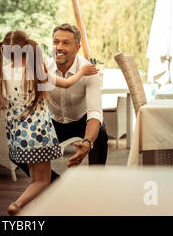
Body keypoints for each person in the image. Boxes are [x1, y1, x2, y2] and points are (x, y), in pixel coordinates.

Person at [0, 30, 98, 215]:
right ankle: (18, 204)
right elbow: (68, 83)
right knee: (43, 180)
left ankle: (37, 208)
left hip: (18, 136)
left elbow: (1, 101)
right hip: (39, 135)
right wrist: (83, 71)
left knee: (34, 178)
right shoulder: (37, 71)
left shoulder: (3, 72)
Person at [9, 24, 109, 181]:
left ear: (77, 48)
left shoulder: (88, 71)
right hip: (53, 121)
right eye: (56, 42)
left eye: (66, 43)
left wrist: (87, 143)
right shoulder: (44, 68)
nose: (59, 47)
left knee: (100, 135)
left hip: (81, 119)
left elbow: (95, 112)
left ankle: (95, 183)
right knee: (17, 147)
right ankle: (53, 183)